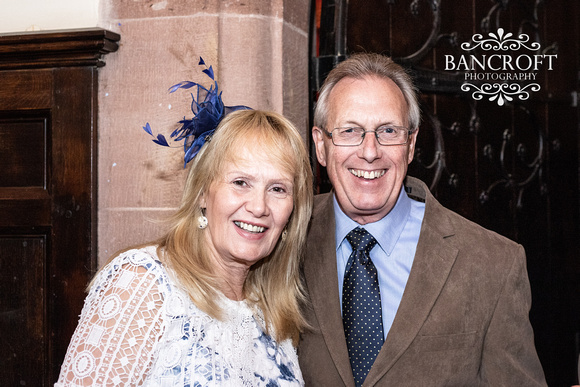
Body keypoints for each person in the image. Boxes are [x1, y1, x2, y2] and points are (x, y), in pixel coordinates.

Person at [298, 52, 547, 386]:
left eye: (388, 131)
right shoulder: (285, 239)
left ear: (411, 144)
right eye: (349, 130)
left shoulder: (493, 265)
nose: (370, 151)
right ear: (321, 145)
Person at [56, 107, 313, 386]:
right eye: (241, 182)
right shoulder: (144, 284)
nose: (259, 206)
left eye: (278, 189)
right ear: (203, 192)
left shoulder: (273, 312)